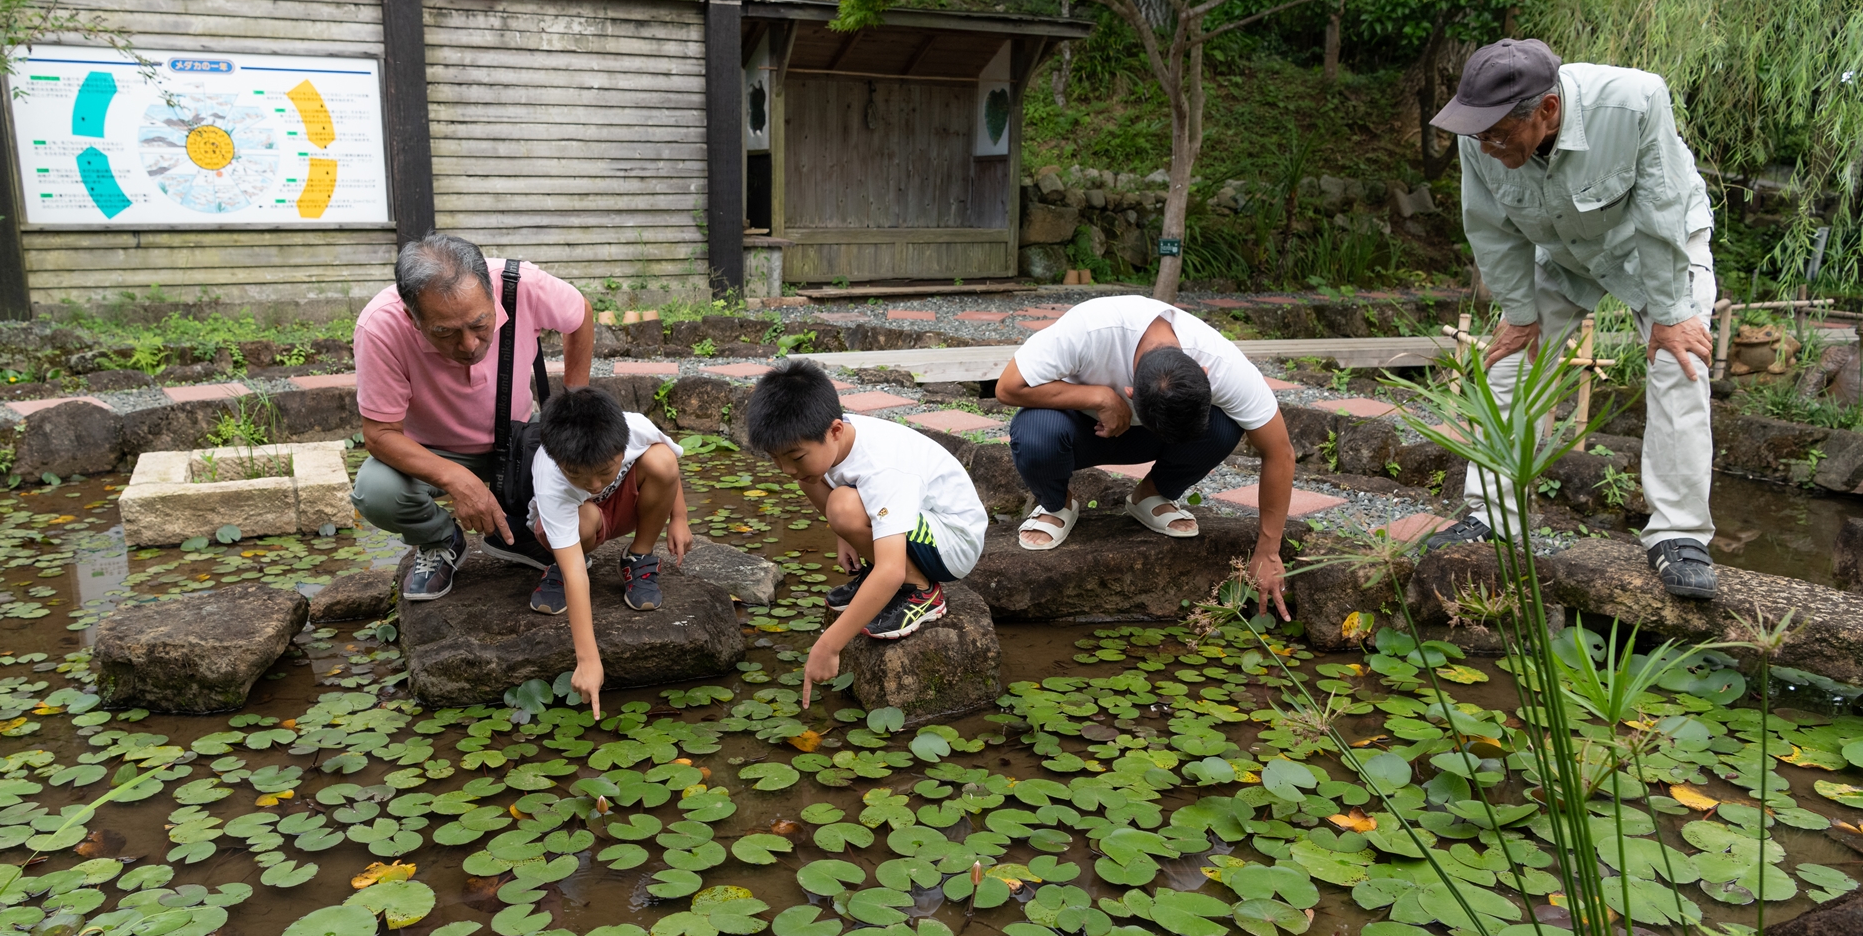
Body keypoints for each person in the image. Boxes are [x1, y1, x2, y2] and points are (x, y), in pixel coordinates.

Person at [1426, 38, 1718, 600]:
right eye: (1477, 134)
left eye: (1497, 135)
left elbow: (1660, 207)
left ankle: (1678, 537)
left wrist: (1669, 314)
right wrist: (1518, 313)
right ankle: (1495, 519)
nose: (1485, 146)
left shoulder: (1635, 101)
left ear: (1547, 111)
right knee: (1510, 364)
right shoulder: (1479, 135)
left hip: (1651, 244)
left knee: (1680, 365)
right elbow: (1489, 226)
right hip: (1560, 249)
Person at [995, 295, 1295, 616]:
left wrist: (1268, 550)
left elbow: (1279, 451)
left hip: (1149, 435)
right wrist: (1097, 396)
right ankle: (1057, 504)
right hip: (1078, 427)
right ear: (1131, 392)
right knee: (1034, 432)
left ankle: (1151, 496)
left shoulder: (1221, 362)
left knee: (1224, 427)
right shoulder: (1089, 329)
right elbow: (1007, 387)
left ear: (1204, 374)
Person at [352, 234, 592, 602]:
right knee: (376, 491)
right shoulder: (380, 326)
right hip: (430, 452)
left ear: (493, 295)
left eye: (480, 324)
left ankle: (517, 535)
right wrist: (457, 480)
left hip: (515, 441)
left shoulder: (521, 284)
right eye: (444, 332)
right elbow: (380, 434)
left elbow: (579, 315)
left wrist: (573, 400)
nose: (468, 345)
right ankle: (440, 539)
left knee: (591, 479)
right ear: (411, 317)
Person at [744, 361, 988, 706]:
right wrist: (846, 535)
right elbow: (833, 479)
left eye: (795, 456)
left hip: (953, 542)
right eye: (776, 458)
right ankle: (881, 574)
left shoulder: (883, 467)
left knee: (844, 507)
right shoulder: (833, 445)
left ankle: (921, 591)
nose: (784, 468)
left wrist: (829, 645)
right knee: (816, 484)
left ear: (836, 430)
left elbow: (889, 567)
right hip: (920, 523)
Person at [527, 385, 694, 718]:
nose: (593, 485)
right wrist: (588, 661)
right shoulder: (550, 476)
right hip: (574, 526)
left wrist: (680, 517)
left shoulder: (636, 427)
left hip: (620, 511)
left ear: (622, 442)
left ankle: (639, 556)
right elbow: (579, 576)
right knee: (580, 524)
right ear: (556, 458)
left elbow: (669, 463)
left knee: (660, 461)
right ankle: (559, 564)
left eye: (605, 472)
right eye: (577, 475)